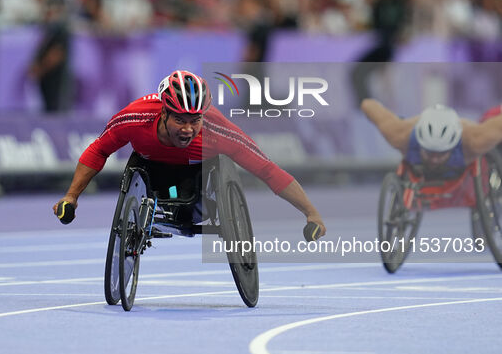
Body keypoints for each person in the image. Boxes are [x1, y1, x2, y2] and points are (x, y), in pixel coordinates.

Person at [53, 70, 326, 237]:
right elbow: (98, 149)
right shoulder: (134, 118)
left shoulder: (218, 131)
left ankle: (187, 206)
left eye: (195, 121)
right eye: (180, 121)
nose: (187, 129)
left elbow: (267, 170)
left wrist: (311, 213)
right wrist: (71, 196)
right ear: (164, 112)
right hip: (150, 167)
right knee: (160, 184)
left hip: (195, 175)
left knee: (188, 211)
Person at [361, 99, 502, 180]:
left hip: (468, 129)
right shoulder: (399, 136)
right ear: (420, 144)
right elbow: (367, 105)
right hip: (409, 124)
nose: (434, 160)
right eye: (429, 153)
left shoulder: (474, 141)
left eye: (440, 154)